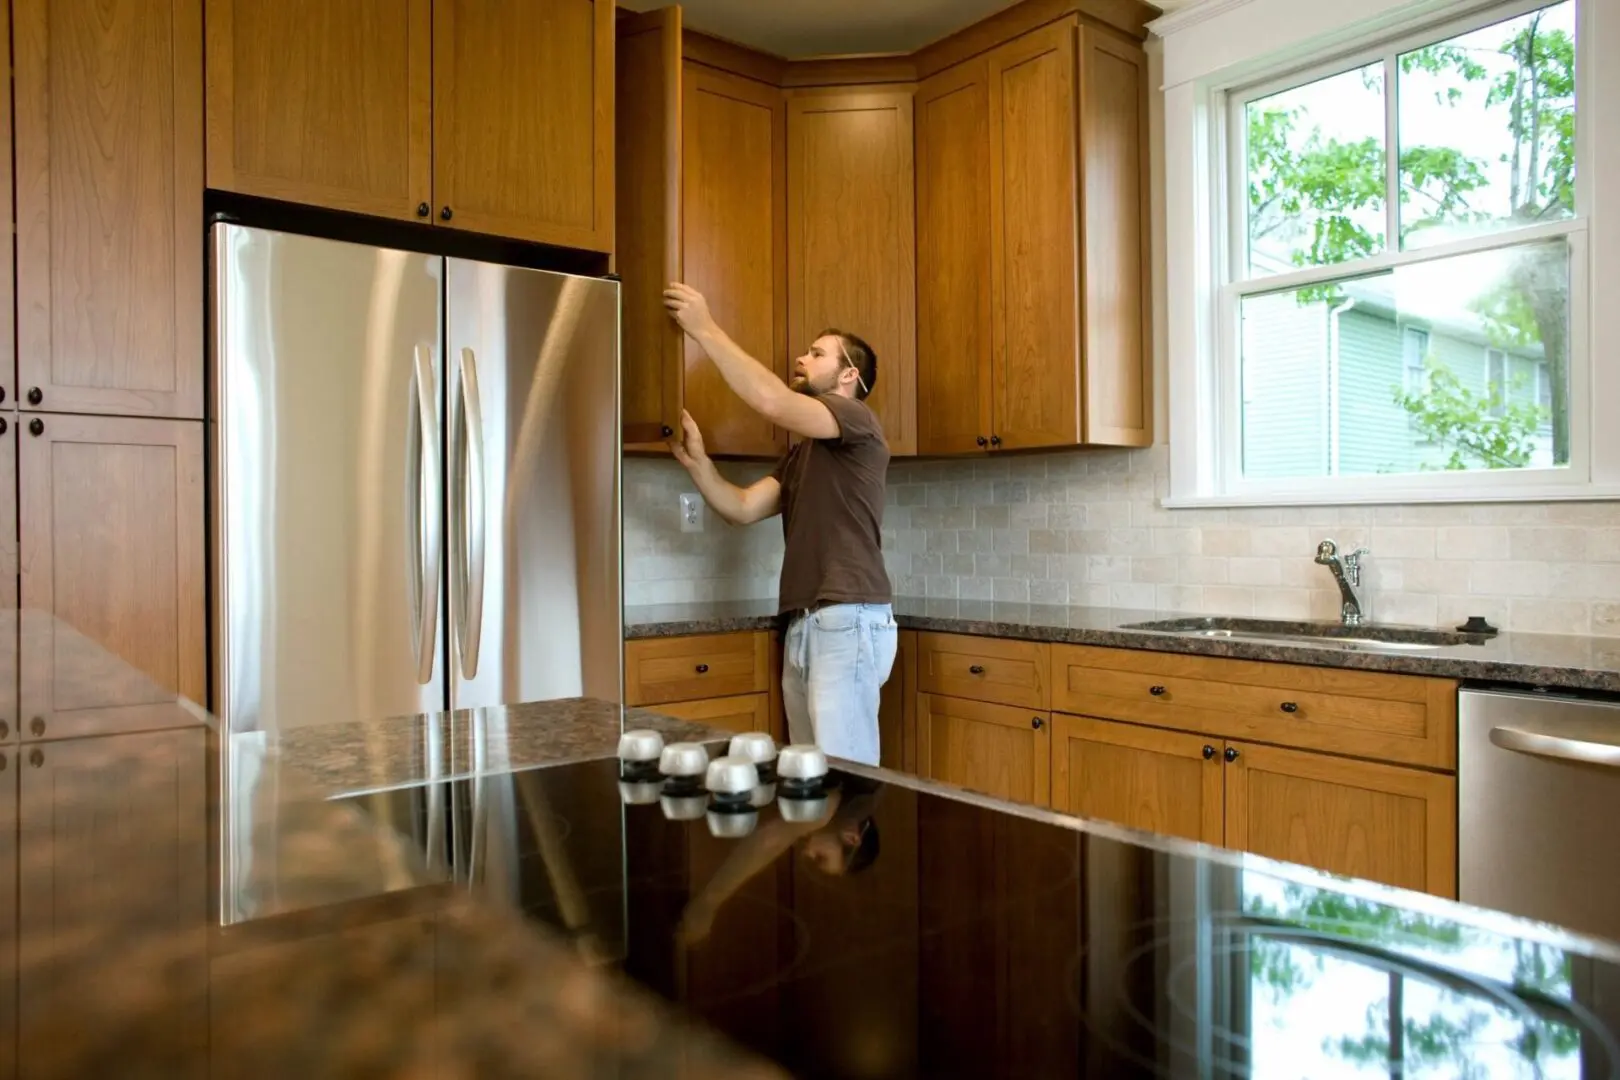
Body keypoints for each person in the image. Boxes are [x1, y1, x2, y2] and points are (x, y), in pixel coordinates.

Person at [662, 282, 896, 766]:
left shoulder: (857, 420)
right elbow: (742, 508)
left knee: (842, 780)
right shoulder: (803, 454)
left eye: (817, 353)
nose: (801, 358)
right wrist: (698, 464)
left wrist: (704, 327)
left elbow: (771, 401)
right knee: (809, 778)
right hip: (808, 623)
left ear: (849, 374)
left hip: (846, 618)